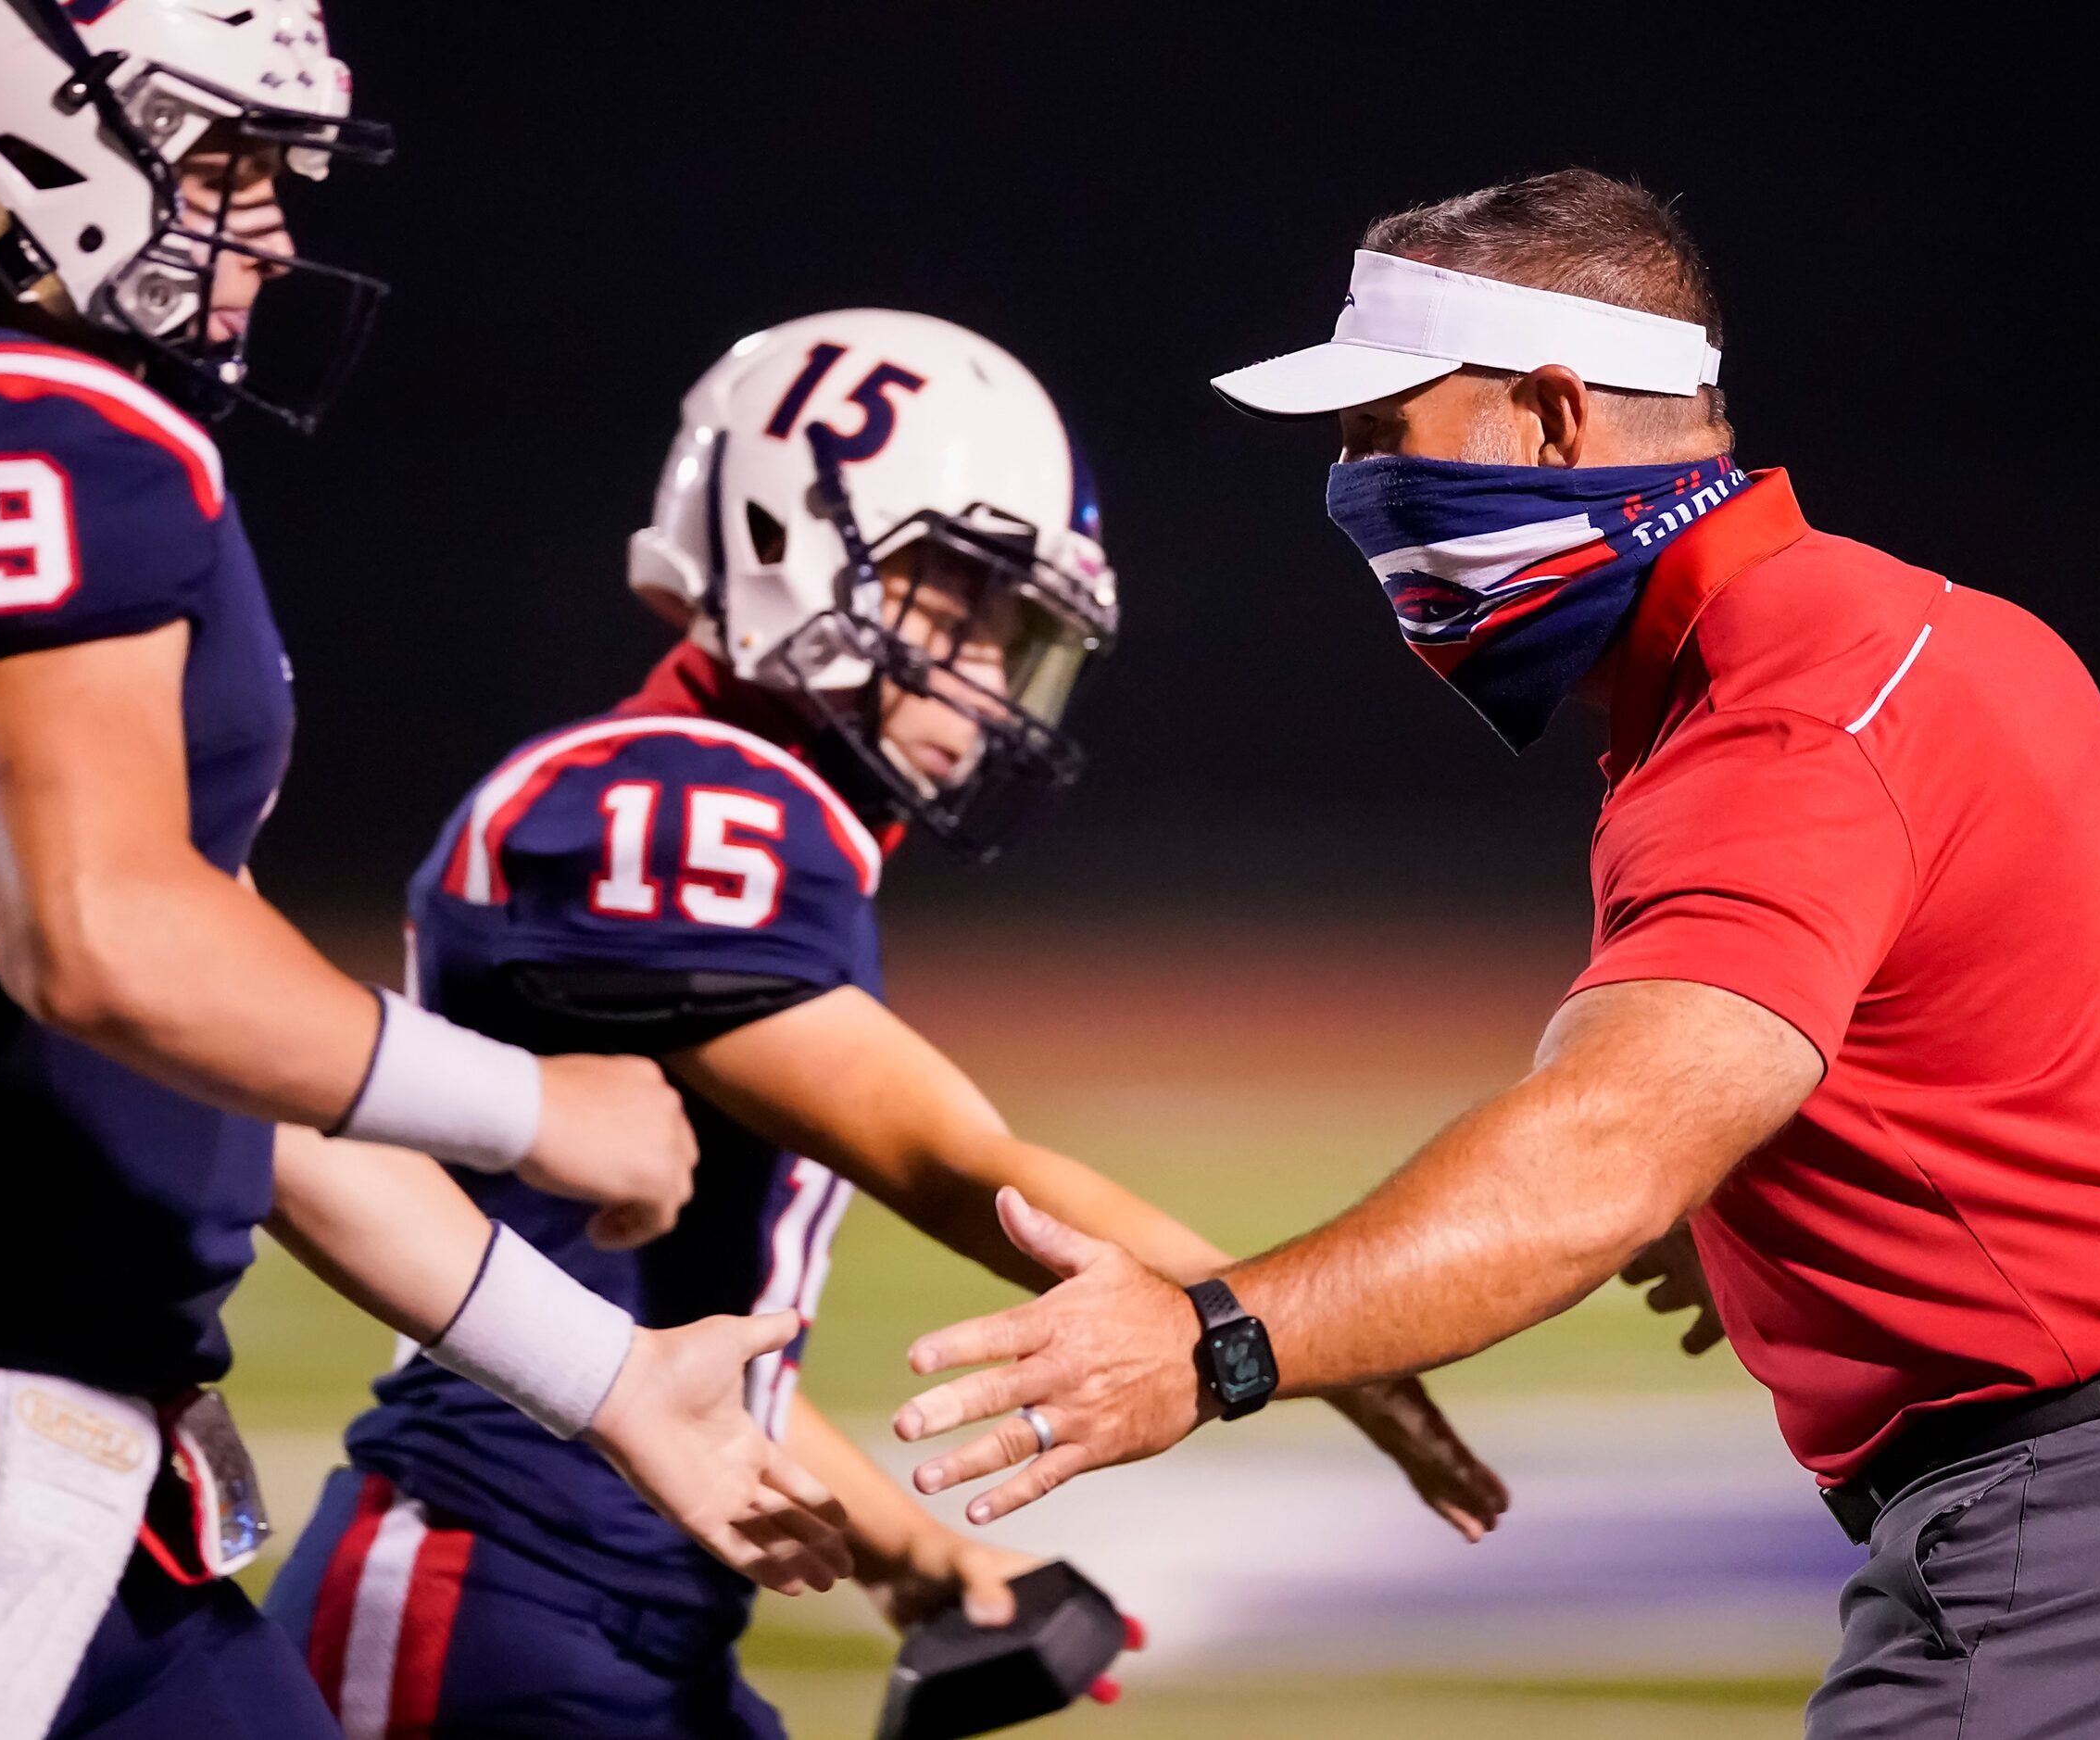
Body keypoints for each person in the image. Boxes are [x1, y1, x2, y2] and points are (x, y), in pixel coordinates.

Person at [890, 170, 2100, 1739]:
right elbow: (2020, 1057)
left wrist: (1210, 1338)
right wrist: (1791, 1189)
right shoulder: (1911, 629)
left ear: (1556, 418)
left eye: (1383, 434)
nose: (1354, 492)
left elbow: (1596, 1152)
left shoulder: (1785, 711)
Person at [0, 6, 848, 1735]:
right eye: (227, 158)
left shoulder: (9, 433)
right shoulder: (27, 423)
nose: (273, 227)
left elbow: (220, 1053)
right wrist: (535, 1104)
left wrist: (604, 1376)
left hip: (71, 1487)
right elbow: (108, 951)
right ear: (33, 132)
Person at [262, 309, 1508, 1739]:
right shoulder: (671, 800)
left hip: (617, 1606)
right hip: (482, 1599)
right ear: (787, 535)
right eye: (953, 601)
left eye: (1013, 629)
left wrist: (918, 1559)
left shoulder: (741, 814)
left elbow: (664, 1332)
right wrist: (1279, 1329)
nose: (985, 675)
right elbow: (950, 1159)